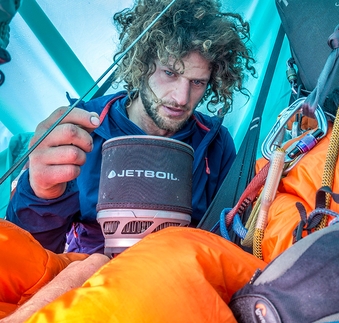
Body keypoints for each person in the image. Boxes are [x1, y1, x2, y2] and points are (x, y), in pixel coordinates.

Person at [6, 0, 256, 254]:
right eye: (169, 73)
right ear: (143, 63)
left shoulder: (216, 143)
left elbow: (233, 240)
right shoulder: (82, 127)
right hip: (94, 280)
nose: (181, 97)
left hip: (182, 277)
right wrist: (40, 192)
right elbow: (30, 256)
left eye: (197, 82)